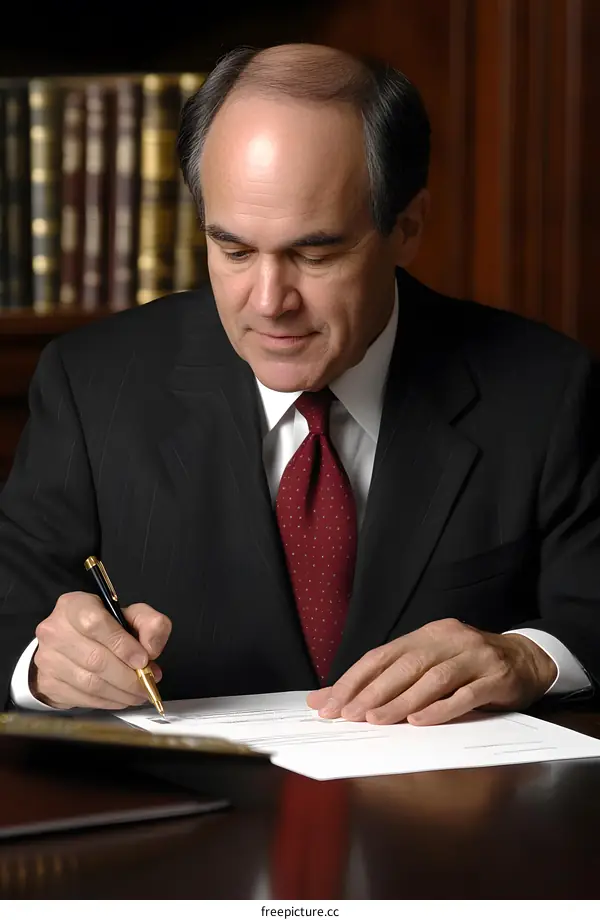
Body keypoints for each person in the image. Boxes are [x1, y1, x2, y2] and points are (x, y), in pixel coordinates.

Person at [1, 43, 598, 725]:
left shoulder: (545, 388)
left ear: (407, 227)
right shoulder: (92, 382)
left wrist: (529, 656)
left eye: (313, 254)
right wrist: (43, 669)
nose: (268, 301)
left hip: (451, 822)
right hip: (187, 820)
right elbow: (9, 617)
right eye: (232, 249)